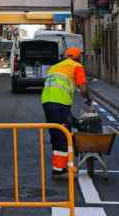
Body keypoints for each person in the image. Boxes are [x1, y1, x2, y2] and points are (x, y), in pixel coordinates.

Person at [41, 46, 90, 178]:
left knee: (56, 134)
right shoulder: (76, 66)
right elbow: (83, 89)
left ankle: (58, 167)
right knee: (64, 135)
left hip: (47, 102)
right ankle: (62, 169)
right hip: (60, 103)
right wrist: (88, 99)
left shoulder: (55, 67)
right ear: (77, 57)